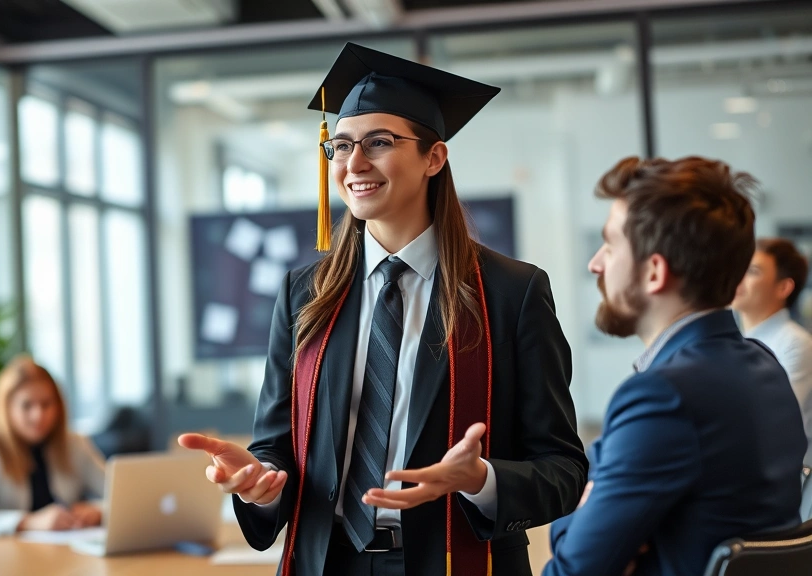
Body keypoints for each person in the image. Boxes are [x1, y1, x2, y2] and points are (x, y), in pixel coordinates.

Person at [180, 42, 587, 576]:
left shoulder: (512, 292)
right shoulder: (304, 294)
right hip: (326, 563)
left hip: (453, 563)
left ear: (434, 158)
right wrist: (261, 484)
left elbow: (563, 469)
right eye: (341, 146)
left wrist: (481, 480)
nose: (354, 163)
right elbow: (277, 448)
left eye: (379, 142)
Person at [544, 157, 807, 576]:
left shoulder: (663, 396)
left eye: (610, 246)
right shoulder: (763, 364)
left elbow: (571, 569)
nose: (596, 264)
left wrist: (574, 516)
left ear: (654, 272)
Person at [0, 355, 106, 540]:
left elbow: (122, 495)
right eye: (27, 405)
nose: (38, 415)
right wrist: (28, 522)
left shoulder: (74, 443)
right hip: (6, 555)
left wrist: (99, 511)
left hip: (66, 549)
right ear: (7, 408)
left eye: (46, 404)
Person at [733, 237, 812, 465]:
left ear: (783, 287)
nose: (738, 277)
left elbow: (776, 423)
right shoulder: (735, 341)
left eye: (752, 271)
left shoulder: (795, 343)